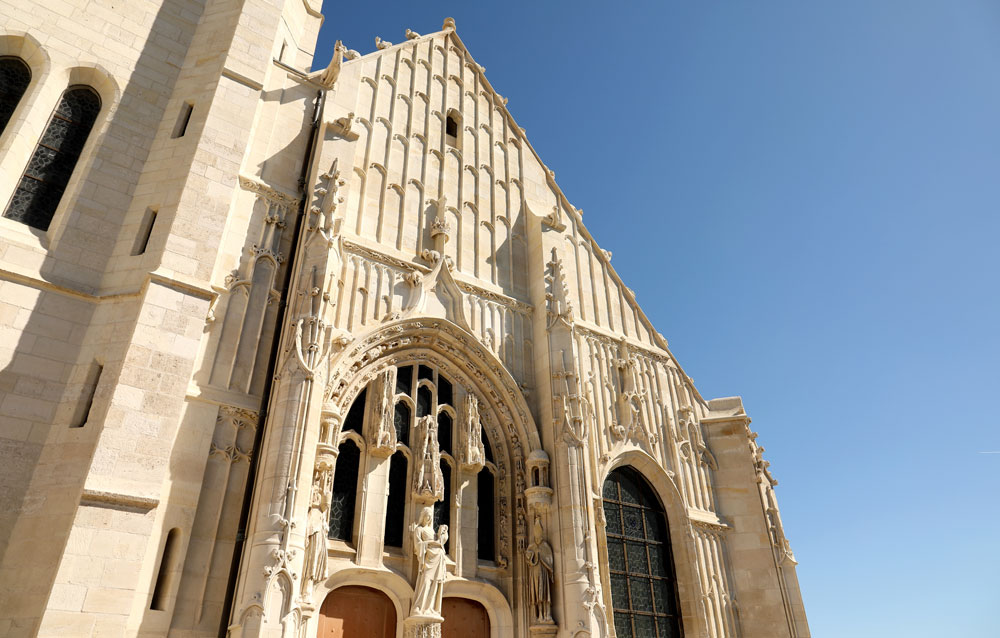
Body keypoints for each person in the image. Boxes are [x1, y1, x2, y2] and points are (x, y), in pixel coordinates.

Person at [410, 509, 449, 618]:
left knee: (435, 583)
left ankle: (429, 608)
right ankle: (418, 607)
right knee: (426, 581)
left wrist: (443, 533)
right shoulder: (419, 529)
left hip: (438, 557)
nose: (429, 518)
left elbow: (440, 542)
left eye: (430, 516)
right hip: (428, 559)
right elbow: (418, 545)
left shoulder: (432, 531)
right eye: (427, 515)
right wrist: (430, 543)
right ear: (423, 516)